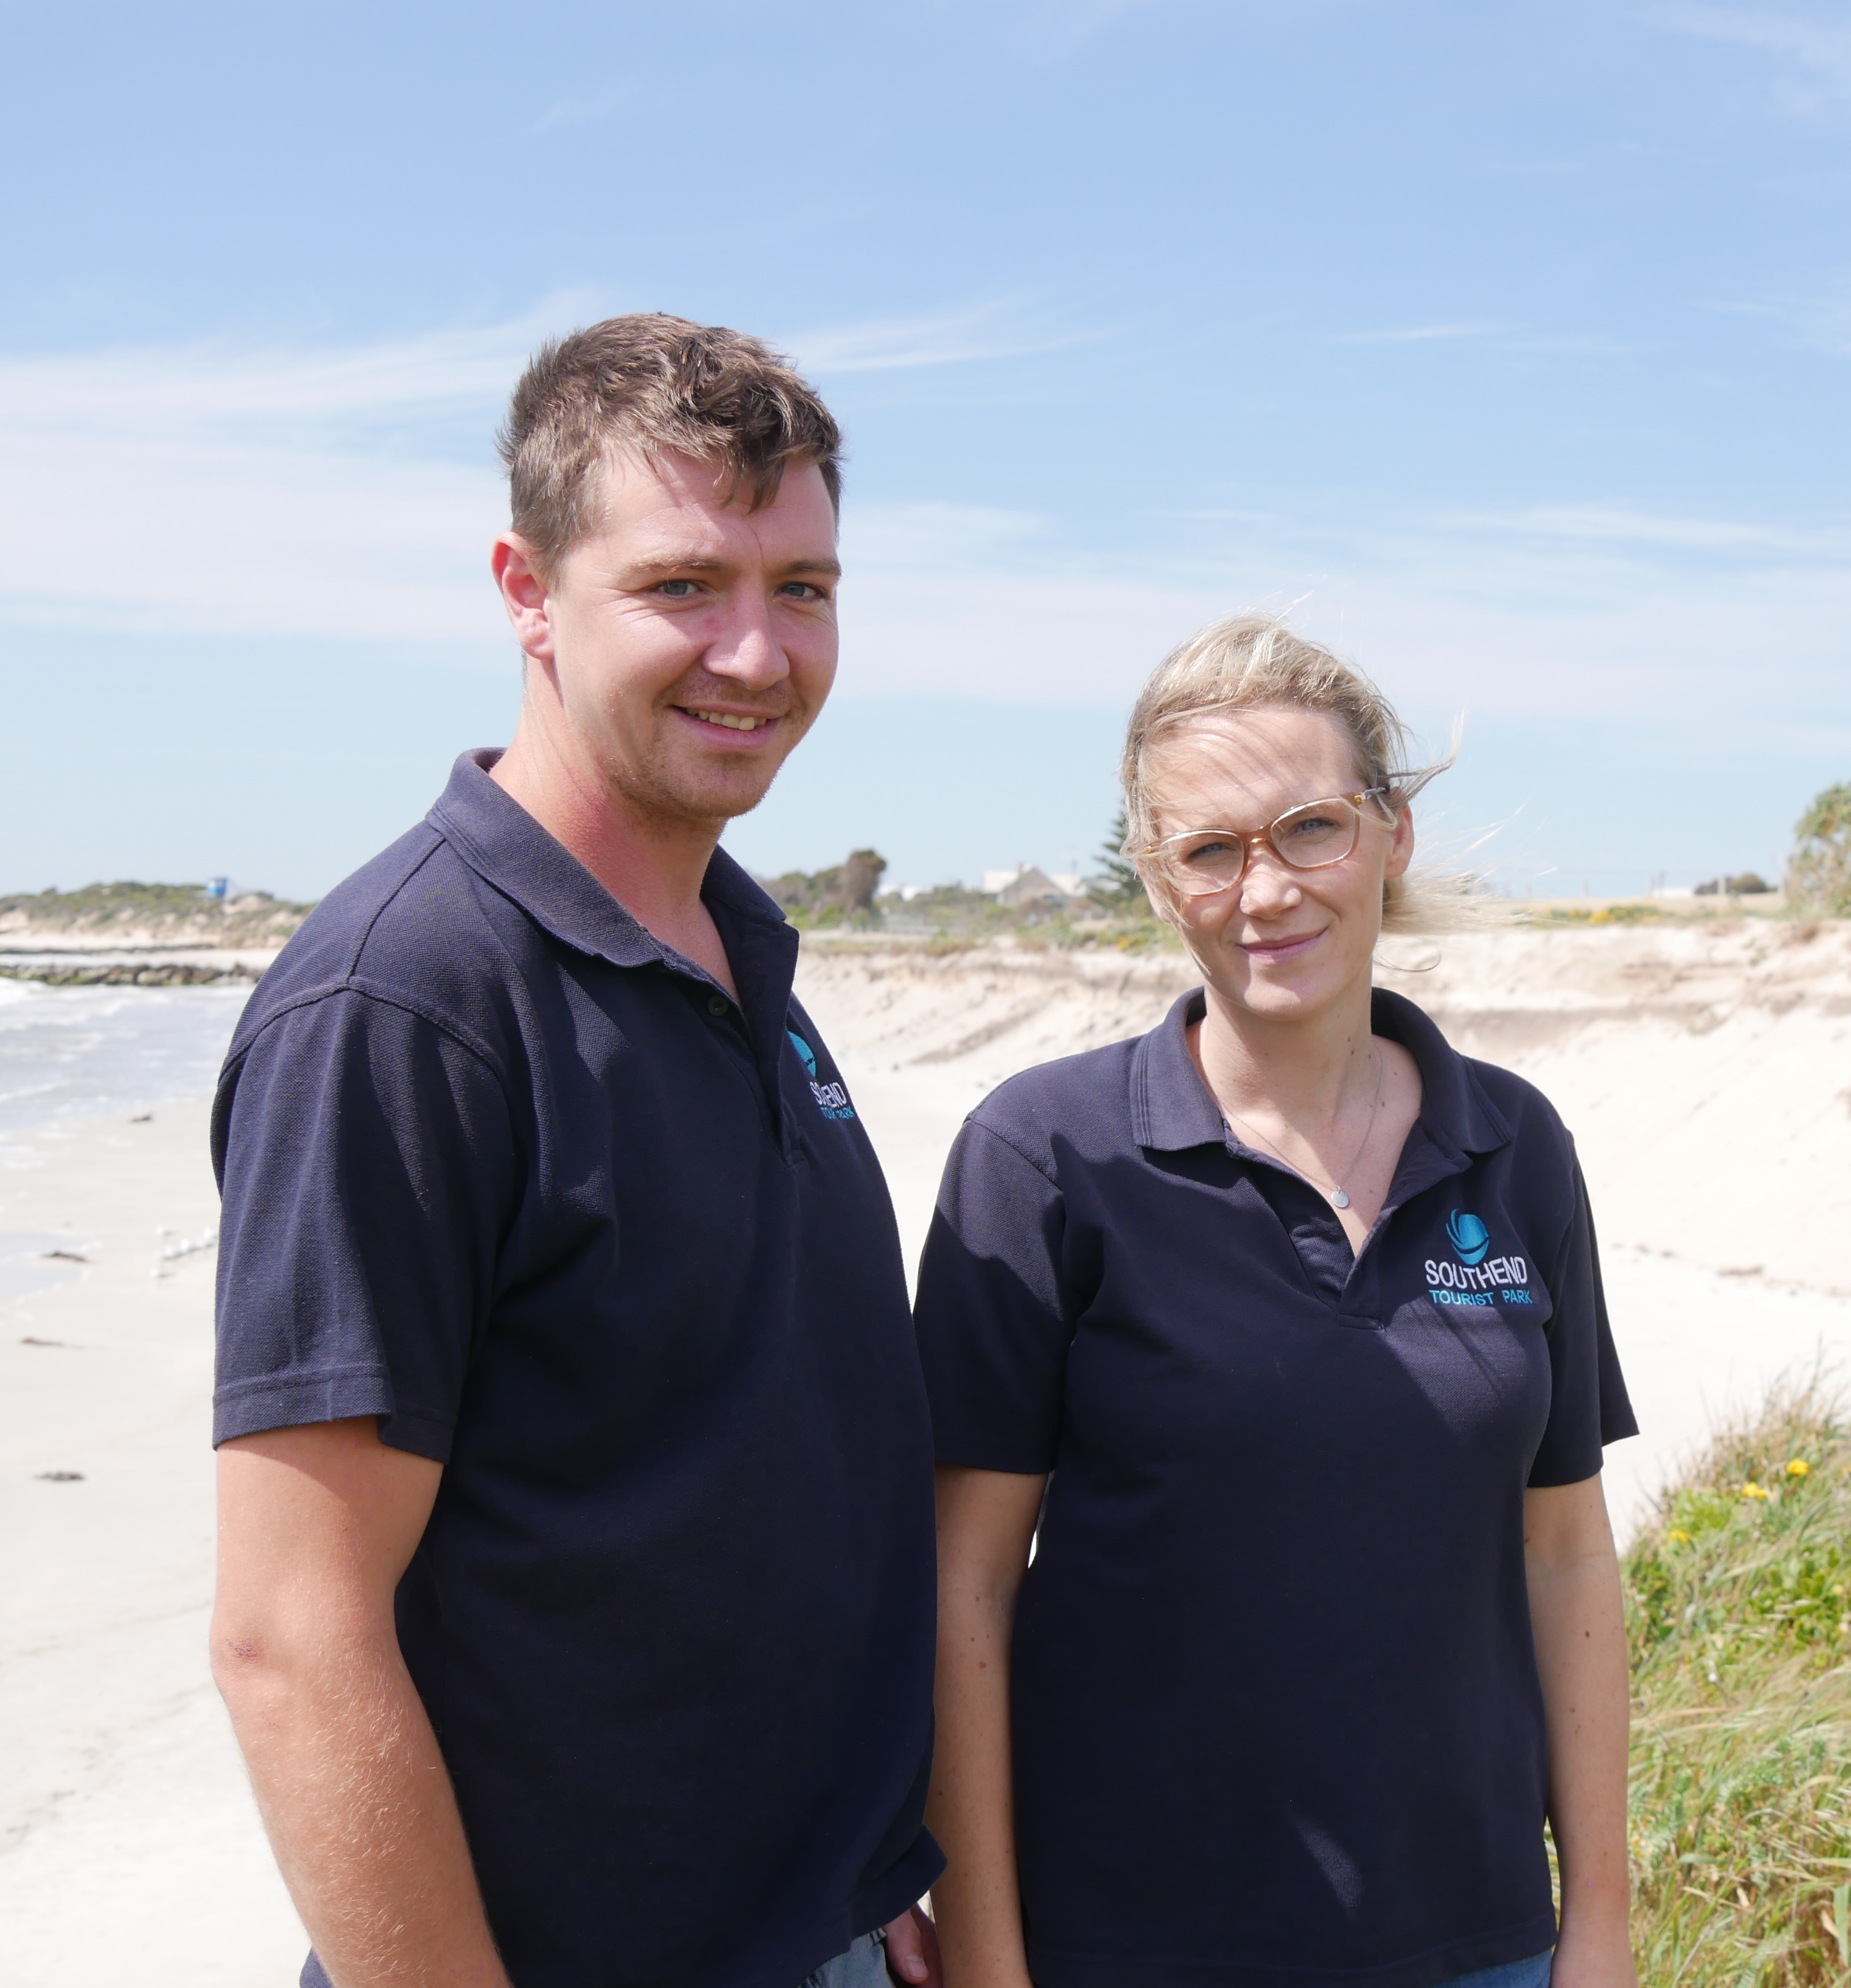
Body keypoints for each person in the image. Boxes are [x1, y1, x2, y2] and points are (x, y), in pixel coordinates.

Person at [207, 315, 942, 1988]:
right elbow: (290, 1642)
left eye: (804, 589)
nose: (757, 654)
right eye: (684, 586)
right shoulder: (404, 1003)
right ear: (527, 591)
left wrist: (878, 1853)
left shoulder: (743, 955)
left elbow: (768, 1476)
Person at [917, 618, 1639, 1988]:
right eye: (1209, 848)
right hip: (1128, 1944)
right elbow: (963, 1592)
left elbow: (1567, 1555)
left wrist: (1596, 1923)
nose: (1267, 890)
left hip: (1478, 1940)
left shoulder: (1515, 1144)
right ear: (1155, 878)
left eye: (1310, 827)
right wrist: (991, 1960)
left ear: (1391, 836)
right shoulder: (1043, 1156)